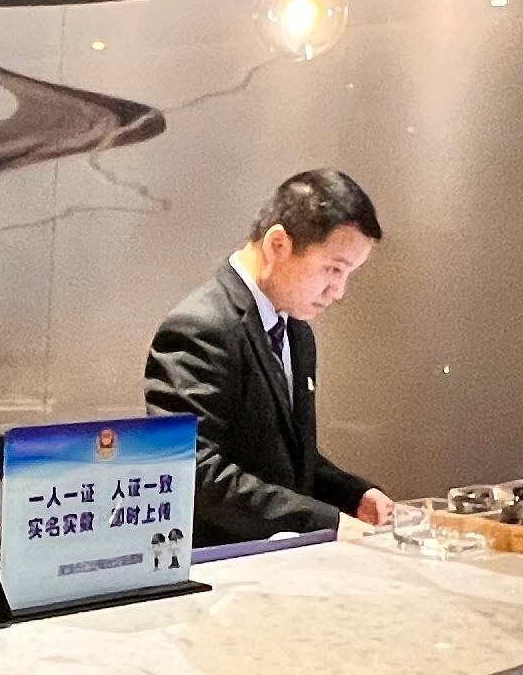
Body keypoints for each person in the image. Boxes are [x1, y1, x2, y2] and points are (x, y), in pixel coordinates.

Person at [146, 168, 395, 545]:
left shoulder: (296, 330)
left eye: (348, 274)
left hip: (281, 562)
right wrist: (323, 522)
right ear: (278, 244)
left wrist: (352, 495)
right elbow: (193, 472)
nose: (338, 291)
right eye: (332, 269)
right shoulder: (199, 326)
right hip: (221, 565)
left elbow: (288, 459)